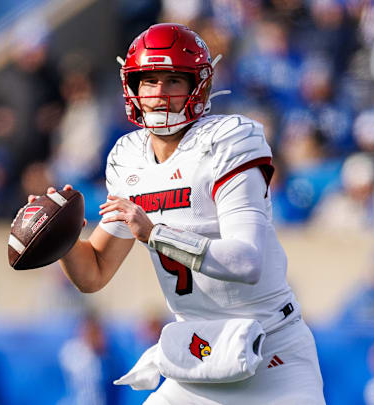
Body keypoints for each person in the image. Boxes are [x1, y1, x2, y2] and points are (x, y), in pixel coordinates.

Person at [26, 23, 325, 404]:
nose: (159, 95)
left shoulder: (228, 140)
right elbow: (94, 272)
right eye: (149, 81)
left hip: (272, 354)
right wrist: (62, 235)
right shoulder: (128, 157)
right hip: (199, 352)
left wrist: (154, 234)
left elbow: (246, 261)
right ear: (131, 87)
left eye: (173, 81)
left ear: (197, 86)